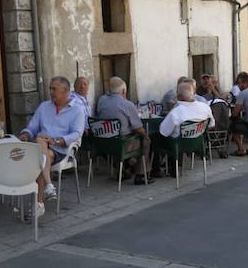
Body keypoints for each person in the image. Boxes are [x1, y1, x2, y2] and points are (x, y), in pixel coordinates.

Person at [19, 76, 86, 220]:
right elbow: (32, 127)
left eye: (54, 89)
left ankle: (39, 202)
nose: (50, 92)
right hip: (41, 147)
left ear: (66, 91)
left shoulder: (77, 110)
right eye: (50, 88)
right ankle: (48, 187)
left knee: (40, 151)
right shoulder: (44, 107)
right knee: (41, 146)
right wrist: (25, 133)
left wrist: (56, 140)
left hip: (61, 149)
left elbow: (77, 134)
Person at [96, 76, 151, 185]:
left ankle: (124, 168)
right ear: (124, 91)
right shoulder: (127, 104)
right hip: (121, 142)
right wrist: (145, 135)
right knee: (145, 141)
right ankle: (140, 175)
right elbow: (138, 128)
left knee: (118, 136)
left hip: (102, 142)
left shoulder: (102, 100)